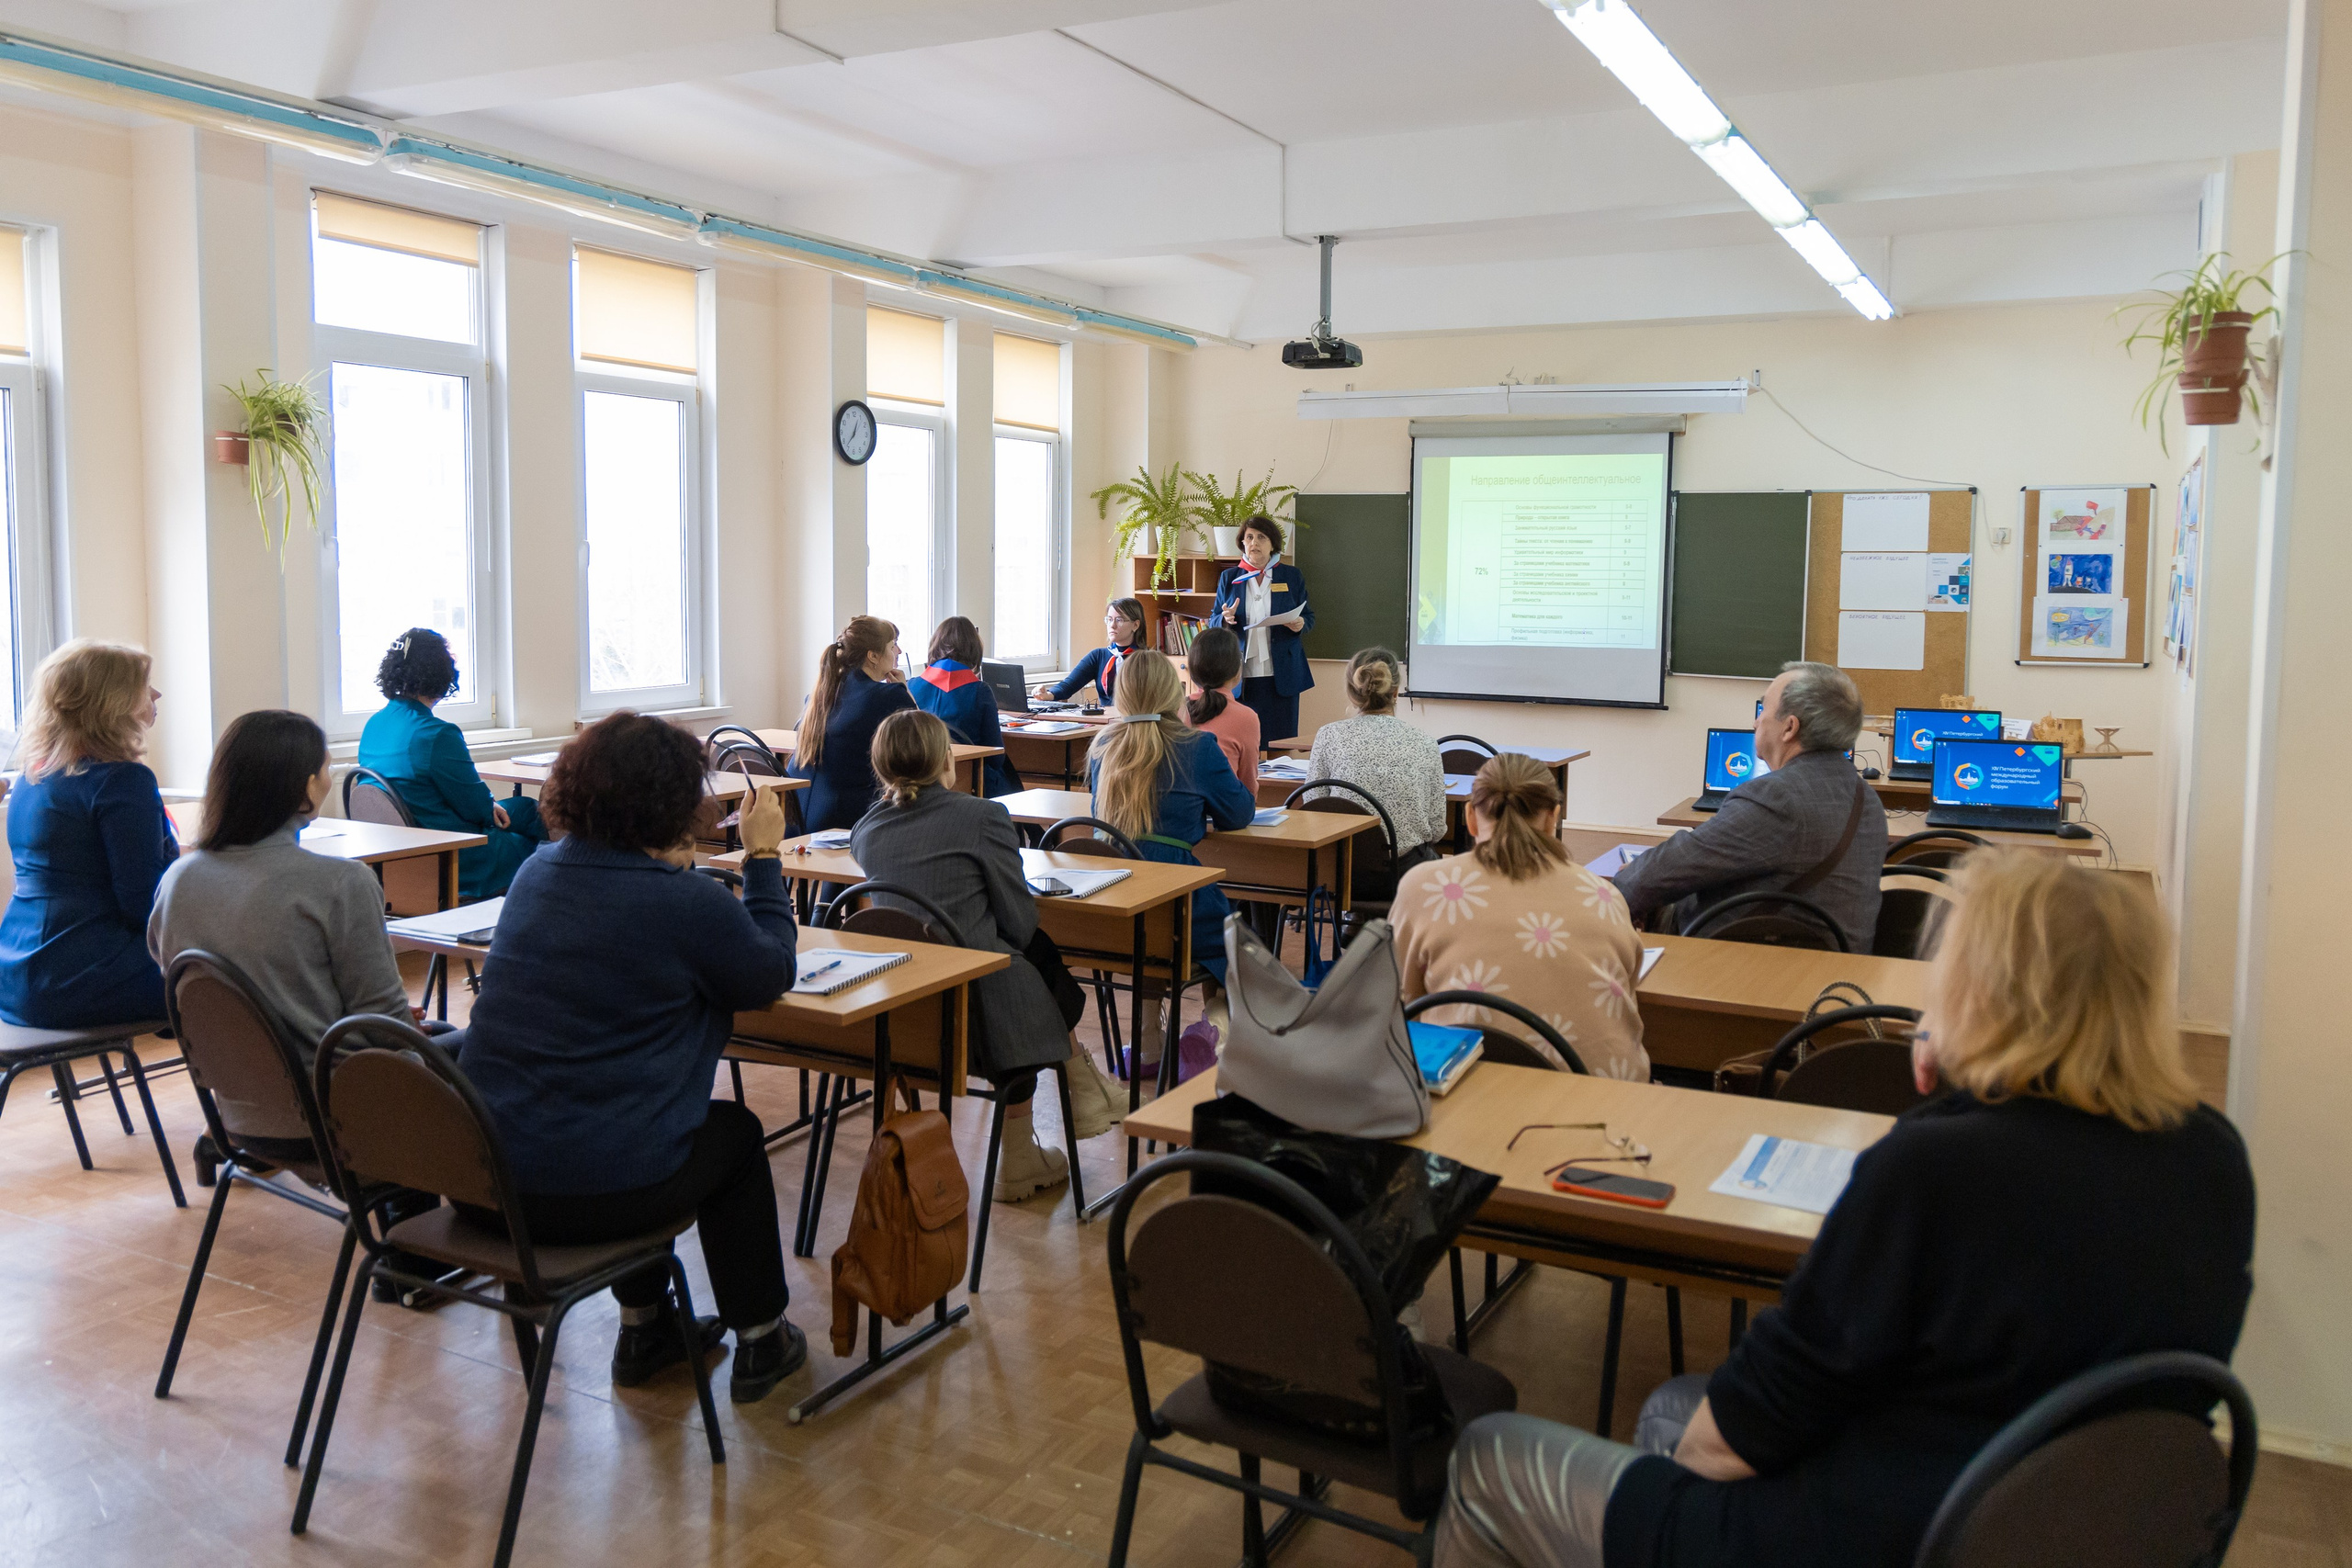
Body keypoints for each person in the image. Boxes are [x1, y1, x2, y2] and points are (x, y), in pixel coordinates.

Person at [1434, 851, 2254, 1568]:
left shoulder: (1935, 1168)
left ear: (1979, 987)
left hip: (1889, 1536)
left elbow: (1743, 1426)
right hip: (2077, 1528)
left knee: (1488, 1457)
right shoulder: (2215, 1155)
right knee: (1665, 1408)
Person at [450, 713, 805, 1403]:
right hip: (594, 1196)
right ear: (675, 804)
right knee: (730, 1135)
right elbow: (768, 974)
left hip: (488, 1181)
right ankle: (762, 1335)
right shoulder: (684, 903)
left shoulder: (534, 874)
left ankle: (646, 1327)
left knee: (614, 1115)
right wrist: (764, 859)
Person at [852, 710, 1127, 1201]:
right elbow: (1020, 923)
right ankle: (1051, 1113)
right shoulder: (982, 817)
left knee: (1036, 959)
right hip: (979, 1008)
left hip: (905, 1005)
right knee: (1036, 956)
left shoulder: (866, 830)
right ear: (944, 760)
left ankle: (1079, 1087)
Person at [149, 709, 410, 1053]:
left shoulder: (177, 880)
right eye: (326, 769)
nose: (329, 779)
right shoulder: (343, 883)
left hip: (241, 1094)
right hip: (342, 1091)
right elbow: (388, 1026)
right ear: (307, 786)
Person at [1393, 754, 1646, 1079]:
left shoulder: (1424, 886)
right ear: (1552, 819)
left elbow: (1401, 998)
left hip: (1464, 1095)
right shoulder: (1604, 895)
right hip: (1598, 1102)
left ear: (1470, 817)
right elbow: (1628, 989)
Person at [1612, 661, 1884, 950]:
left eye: (1763, 709)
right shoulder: (1867, 798)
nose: (1756, 722)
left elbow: (1667, 870)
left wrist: (1625, 879)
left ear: (1789, 727)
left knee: (1622, 898)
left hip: (1752, 963)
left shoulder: (1776, 797)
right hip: (1842, 965)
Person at [0, 640, 175, 1029]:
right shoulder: (123, 780)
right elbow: (144, 907)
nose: (156, 693)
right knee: (238, 975)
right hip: (77, 978)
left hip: (14, 974)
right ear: (111, 701)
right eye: (144, 683)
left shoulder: (32, 778)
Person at [1087, 650, 1255, 1048]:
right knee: (1237, 940)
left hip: (1114, 895)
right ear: (1174, 693)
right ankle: (1216, 1029)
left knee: (1155, 942)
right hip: (1175, 889)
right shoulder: (1197, 747)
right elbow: (1238, 812)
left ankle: (1147, 1040)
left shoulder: (1103, 748)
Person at [356, 628, 548, 901]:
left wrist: (488, 806)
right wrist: (488, 805)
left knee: (524, 809)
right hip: (452, 849)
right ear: (442, 674)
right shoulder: (435, 734)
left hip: (402, 845)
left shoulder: (374, 724)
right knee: (534, 821)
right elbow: (476, 808)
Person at [1305, 647, 1447, 883]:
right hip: (1404, 876)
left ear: (1352, 693)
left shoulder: (1328, 735)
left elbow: (1313, 807)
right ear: (1396, 693)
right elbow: (1437, 828)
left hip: (1342, 873)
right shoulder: (1425, 741)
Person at [790, 615, 916, 832]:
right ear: (873, 656)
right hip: (849, 821)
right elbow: (922, 746)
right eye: (892, 645)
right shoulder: (889, 696)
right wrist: (906, 693)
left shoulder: (821, 693)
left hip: (798, 817)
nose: (898, 651)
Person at [1209, 515, 1314, 744]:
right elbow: (1213, 619)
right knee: (1243, 744)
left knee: (1280, 746)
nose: (1254, 542)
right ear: (1242, 543)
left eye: (1261, 537)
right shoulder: (1230, 577)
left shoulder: (1291, 576)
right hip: (1240, 676)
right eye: (1249, 537)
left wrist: (1300, 624)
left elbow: (1309, 616)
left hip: (1281, 675)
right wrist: (1225, 619)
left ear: (1272, 543)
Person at [910, 616, 1022, 797]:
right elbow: (996, 756)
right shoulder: (979, 690)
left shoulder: (912, 686)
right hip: (973, 784)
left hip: (921, 781)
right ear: (973, 649)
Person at [1184, 626, 1259, 795]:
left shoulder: (1175, 709)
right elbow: (1248, 786)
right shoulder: (1246, 717)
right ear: (1236, 670)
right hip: (1224, 812)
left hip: (1179, 813)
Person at [1036, 597, 1148, 706]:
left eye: (1119, 620)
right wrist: (1046, 694)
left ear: (1135, 625)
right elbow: (1068, 686)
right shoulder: (1098, 656)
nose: (1112, 625)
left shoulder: (1149, 660)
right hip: (1108, 721)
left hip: (1138, 722)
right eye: (1109, 619)